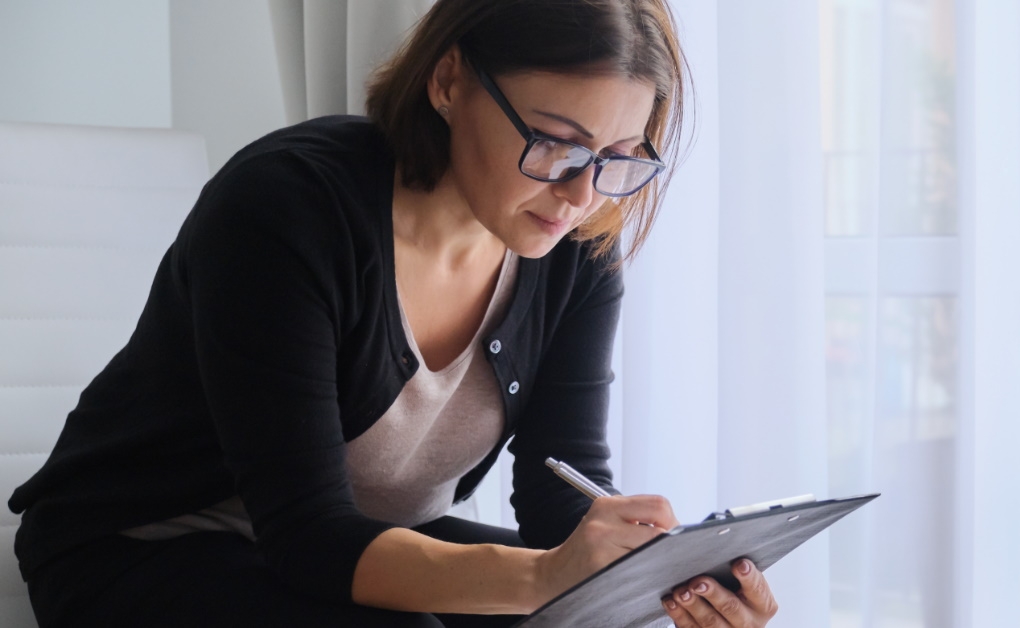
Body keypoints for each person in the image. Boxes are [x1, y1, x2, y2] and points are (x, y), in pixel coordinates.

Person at [8, 1, 780, 626]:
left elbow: (557, 505)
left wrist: (652, 585)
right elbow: (309, 539)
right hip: (139, 548)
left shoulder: (575, 249)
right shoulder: (288, 209)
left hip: (360, 544)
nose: (582, 196)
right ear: (449, 81)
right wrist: (546, 579)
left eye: (619, 158)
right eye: (554, 145)